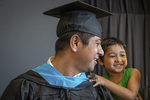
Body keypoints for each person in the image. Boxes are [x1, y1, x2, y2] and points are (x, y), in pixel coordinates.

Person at [0, 1, 114, 100]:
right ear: (75, 43)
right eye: (98, 43)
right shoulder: (25, 87)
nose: (101, 52)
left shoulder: (97, 90)